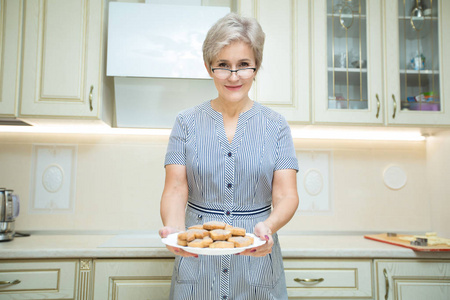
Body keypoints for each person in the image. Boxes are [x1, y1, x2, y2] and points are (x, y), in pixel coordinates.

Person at [159, 12, 299, 300]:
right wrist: (175, 232)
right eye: (223, 65)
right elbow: (175, 188)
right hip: (199, 261)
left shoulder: (276, 125)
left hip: (256, 260)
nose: (233, 76)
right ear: (209, 68)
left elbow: (287, 195)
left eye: (243, 65)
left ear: (256, 67)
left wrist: (268, 228)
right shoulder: (186, 122)